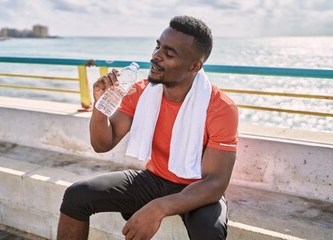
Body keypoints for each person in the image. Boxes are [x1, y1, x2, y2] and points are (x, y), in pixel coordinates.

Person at [57, 15, 238, 240]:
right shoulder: (141, 92)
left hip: (196, 187)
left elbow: (215, 183)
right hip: (153, 179)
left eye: (169, 54)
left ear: (194, 66)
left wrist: (158, 208)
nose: (155, 56)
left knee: (209, 233)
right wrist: (101, 107)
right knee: (77, 196)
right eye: (157, 46)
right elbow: (102, 144)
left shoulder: (221, 108)